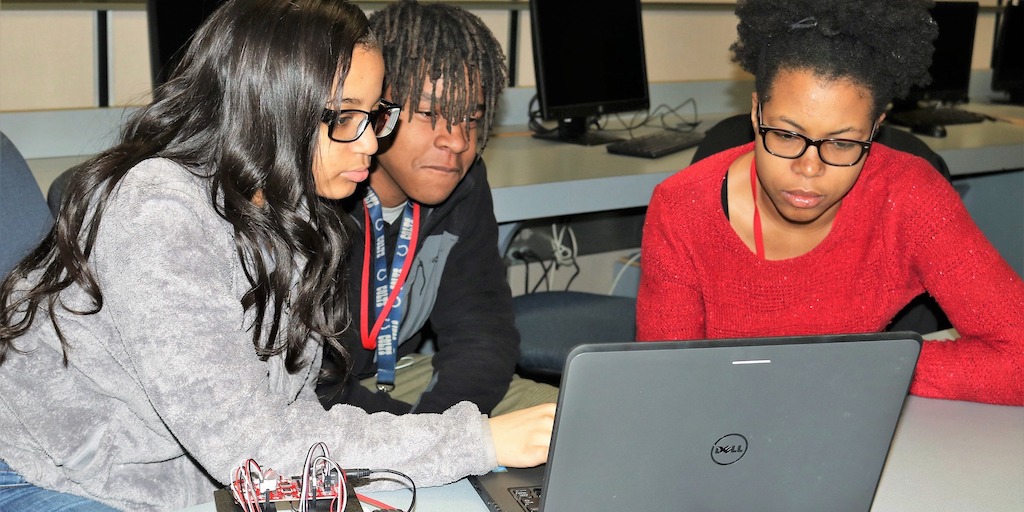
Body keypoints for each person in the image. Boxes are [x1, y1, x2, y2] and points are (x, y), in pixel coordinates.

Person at [0, 1, 554, 510]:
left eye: (375, 114)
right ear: (274, 107)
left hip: (189, 475)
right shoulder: (157, 211)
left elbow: (290, 410)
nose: (370, 142)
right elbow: (252, 446)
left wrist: (443, 444)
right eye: (345, 117)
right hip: (50, 475)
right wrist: (474, 440)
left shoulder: (292, 205)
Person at [636, 0, 1024, 406]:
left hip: (851, 418)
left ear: (875, 129)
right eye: (787, 135)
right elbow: (665, 386)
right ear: (755, 112)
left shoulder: (909, 197)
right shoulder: (681, 208)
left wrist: (863, 366)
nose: (809, 168)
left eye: (842, 143)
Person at [316, 0, 559, 416]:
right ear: (377, 109)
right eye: (430, 112)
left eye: (472, 119)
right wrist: (428, 441)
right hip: (319, 401)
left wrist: (443, 429)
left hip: (397, 376)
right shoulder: (323, 190)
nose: (458, 142)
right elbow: (309, 381)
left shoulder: (463, 184)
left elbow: (483, 334)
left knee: (562, 417)